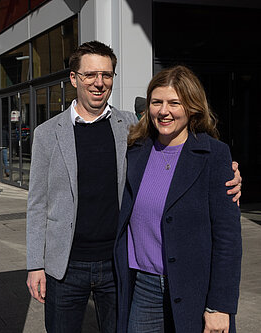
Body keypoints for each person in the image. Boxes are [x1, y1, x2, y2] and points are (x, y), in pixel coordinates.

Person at [26, 41, 242, 333]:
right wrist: (35, 264)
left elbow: (191, 162)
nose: (99, 83)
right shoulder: (48, 133)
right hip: (66, 265)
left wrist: (229, 176)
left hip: (118, 266)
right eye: (90, 75)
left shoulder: (132, 129)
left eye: (107, 74)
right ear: (74, 78)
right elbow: (37, 203)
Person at [113, 65, 242, 333]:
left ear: (193, 107)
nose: (164, 111)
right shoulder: (137, 149)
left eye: (175, 103)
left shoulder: (213, 155)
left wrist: (220, 306)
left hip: (195, 289)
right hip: (144, 287)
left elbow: (228, 240)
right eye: (156, 102)